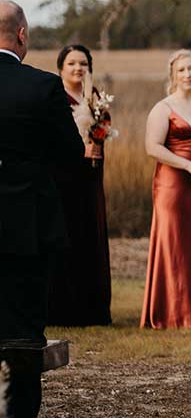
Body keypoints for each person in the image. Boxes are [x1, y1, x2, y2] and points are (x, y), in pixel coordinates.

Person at [0, 0, 84, 418]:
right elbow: (71, 154)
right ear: (22, 35)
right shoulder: (42, 87)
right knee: (23, 336)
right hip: (25, 229)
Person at [140, 49, 191, 329]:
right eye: (182, 70)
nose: (188, 74)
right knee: (174, 244)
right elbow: (153, 147)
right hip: (173, 187)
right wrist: (188, 166)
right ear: (173, 75)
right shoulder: (163, 108)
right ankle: (174, 313)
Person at [47, 44, 112, 327]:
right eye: (72, 63)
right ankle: (65, 308)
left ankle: (93, 308)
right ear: (61, 67)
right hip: (65, 177)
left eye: (83, 63)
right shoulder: (54, 96)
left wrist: (97, 138)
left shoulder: (94, 96)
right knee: (69, 234)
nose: (78, 68)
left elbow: (103, 127)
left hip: (92, 176)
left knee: (92, 234)